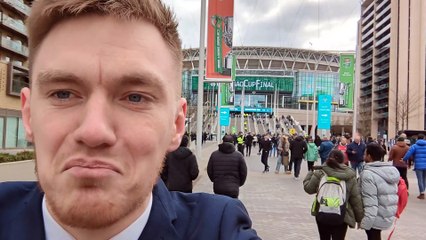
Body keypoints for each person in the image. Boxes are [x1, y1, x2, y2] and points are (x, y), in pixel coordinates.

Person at [0, 1, 259, 239]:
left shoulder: (219, 228)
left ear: (176, 125)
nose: (94, 131)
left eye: (135, 98)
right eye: (63, 94)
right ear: (29, 114)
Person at [303, 150, 364, 240]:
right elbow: (355, 199)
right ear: (343, 160)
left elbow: (308, 189)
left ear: (328, 159)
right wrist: (360, 219)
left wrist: (310, 173)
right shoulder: (349, 176)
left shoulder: (321, 172)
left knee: (324, 238)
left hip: (322, 211)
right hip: (342, 214)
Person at [360, 143, 399, 240]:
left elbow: (370, 201)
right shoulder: (390, 170)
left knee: (373, 236)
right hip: (386, 213)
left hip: (375, 216)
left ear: (369, 156)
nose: (363, 156)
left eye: (365, 154)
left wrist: (366, 222)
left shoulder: (368, 174)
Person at [403, 133, 426, 200]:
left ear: (417, 138)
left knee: (420, 179)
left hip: (419, 165)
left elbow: (409, 154)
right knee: (424, 179)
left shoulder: (414, 146)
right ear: (424, 138)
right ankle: (423, 190)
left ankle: (422, 193)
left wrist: (404, 159)